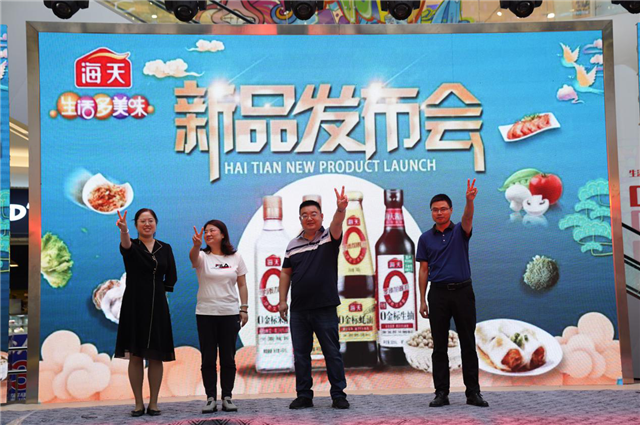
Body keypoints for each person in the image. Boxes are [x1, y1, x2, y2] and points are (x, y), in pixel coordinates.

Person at [417, 179, 489, 408]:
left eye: (443, 209)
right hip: (437, 294)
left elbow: (468, 218)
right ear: (431, 212)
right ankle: (441, 393)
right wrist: (422, 299)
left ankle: (473, 393)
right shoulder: (425, 238)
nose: (439, 213)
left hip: (463, 292)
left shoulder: (460, 231)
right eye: (435, 210)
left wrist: (470, 201)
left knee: (468, 342)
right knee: (439, 346)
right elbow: (423, 270)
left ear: (450, 210)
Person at [278, 187, 350, 410]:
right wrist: (282, 301)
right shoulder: (292, 245)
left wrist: (341, 209)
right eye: (304, 215)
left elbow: (337, 223)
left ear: (321, 216)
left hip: (325, 307)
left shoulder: (329, 237)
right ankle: (304, 395)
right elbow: (285, 273)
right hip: (299, 310)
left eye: (313, 214)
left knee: (332, 353)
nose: (309, 218)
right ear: (300, 219)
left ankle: (338, 395)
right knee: (301, 355)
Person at [115, 208, 177, 417]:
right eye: (142, 221)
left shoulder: (165, 248)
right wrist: (123, 230)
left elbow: (171, 275)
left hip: (158, 304)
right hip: (134, 303)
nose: (147, 224)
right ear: (136, 225)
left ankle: (154, 403)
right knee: (136, 355)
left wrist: (163, 293)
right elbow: (125, 245)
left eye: (150, 220)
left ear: (156, 223)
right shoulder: (131, 245)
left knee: (156, 355)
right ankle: (138, 403)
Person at [189, 220, 249, 414]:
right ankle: (210, 398)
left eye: (212, 230)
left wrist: (244, 308)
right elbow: (193, 259)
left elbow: (242, 284)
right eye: (206, 231)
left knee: (228, 358)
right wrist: (196, 245)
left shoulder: (236, 257)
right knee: (208, 358)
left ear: (223, 234)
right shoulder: (202, 256)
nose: (208, 234)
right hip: (205, 313)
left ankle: (227, 397)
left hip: (229, 313)